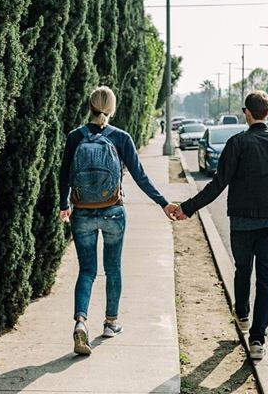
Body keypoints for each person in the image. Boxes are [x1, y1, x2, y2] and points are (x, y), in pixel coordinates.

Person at [174, 90, 268, 360]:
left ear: (246, 113)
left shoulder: (237, 143)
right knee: (267, 279)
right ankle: (257, 340)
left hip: (242, 221)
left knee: (243, 270)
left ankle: (242, 315)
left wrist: (187, 208)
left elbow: (218, 184)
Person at [58, 86, 178, 355]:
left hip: (83, 212)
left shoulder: (75, 137)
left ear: (89, 106)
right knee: (113, 268)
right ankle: (111, 322)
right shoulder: (121, 138)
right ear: (112, 109)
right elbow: (140, 176)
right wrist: (163, 203)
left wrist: (63, 205)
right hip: (113, 211)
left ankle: (80, 322)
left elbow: (64, 175)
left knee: (87, 270)